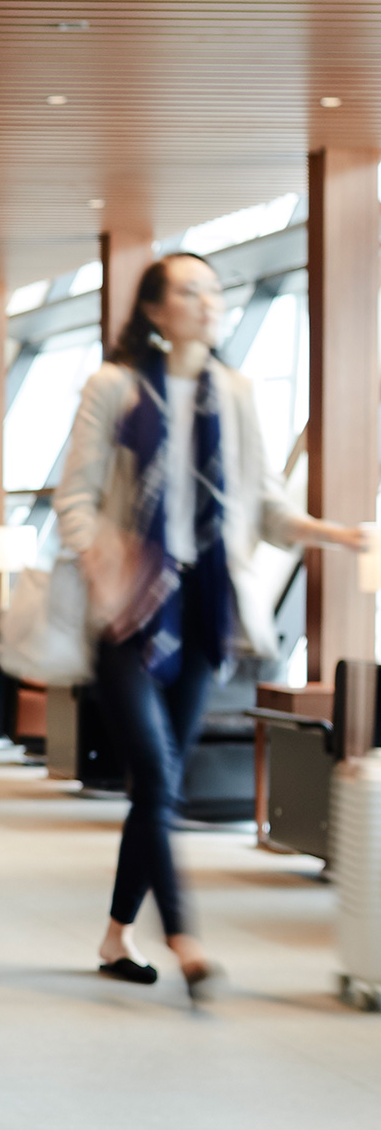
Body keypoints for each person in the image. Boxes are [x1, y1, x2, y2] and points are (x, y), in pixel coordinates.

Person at [53, 256, 367, 998]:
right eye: (191, 291)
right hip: (131, 608)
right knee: (158, 775)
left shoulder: (237, 393)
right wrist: (105, 559)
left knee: (153, 789)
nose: (209, 302)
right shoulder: (114, 387)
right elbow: (75, 496)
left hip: (203, 608)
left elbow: (264, 508)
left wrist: (337, 534)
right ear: (156, 310)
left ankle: (115, 936)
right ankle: (187, 939)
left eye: (216, 289)